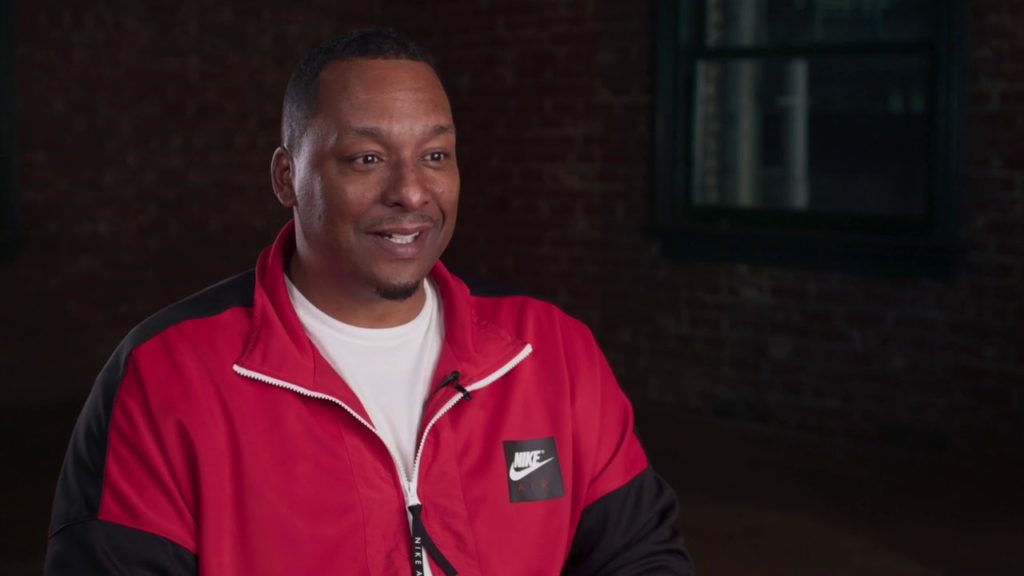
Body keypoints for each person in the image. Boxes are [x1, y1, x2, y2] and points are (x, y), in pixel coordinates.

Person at [46, 29, 693, 575]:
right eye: (366, 158)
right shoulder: (167, 375)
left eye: (435, 155)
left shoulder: (549, 352)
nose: (411, 191)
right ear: (286, 178)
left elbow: (642, 558)